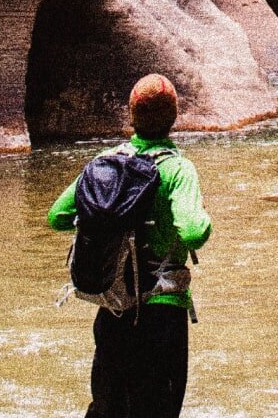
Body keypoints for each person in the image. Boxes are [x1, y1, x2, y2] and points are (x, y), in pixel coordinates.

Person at [48, 74, 211, 418]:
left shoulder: (105, 163)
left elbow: (57, 216)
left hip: (113, 309)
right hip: (162, 312)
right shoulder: (178, 170)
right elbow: (195, 231)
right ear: (174, 117)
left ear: (131, 116)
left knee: (108, 408)